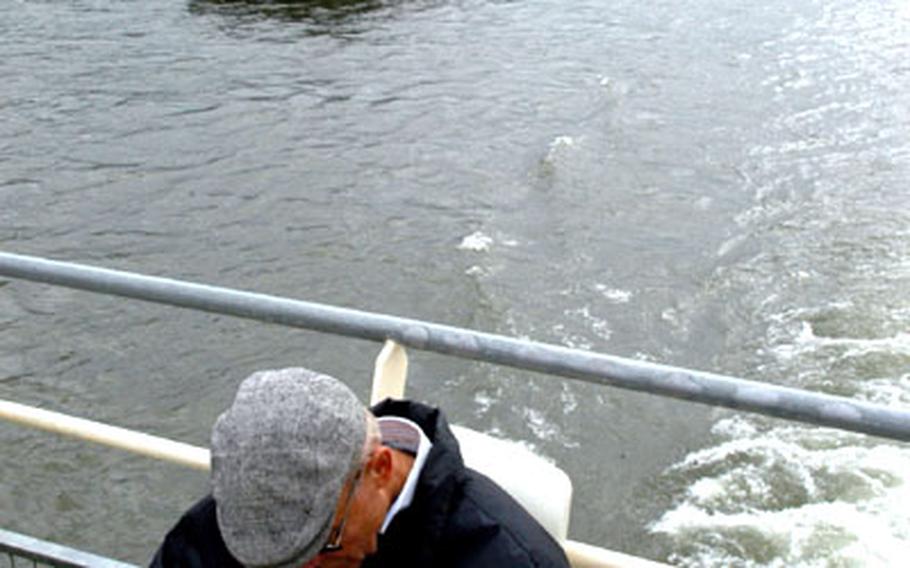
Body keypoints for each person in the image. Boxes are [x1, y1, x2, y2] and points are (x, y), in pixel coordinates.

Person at [150, 367, 570, 568]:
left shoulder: (510, 560)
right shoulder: (257, 509)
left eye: (324, 544)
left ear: (381, 468)